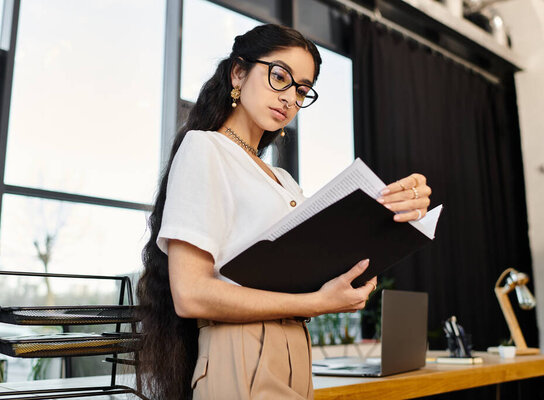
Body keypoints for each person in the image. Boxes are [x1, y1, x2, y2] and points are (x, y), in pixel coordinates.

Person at [136, 24, 432, 400]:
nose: (290, 97)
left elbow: (317, 267)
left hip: (294, 347)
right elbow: (191, 294)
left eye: (302, 89)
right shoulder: (205, 148)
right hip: (241, 349)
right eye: (280, 76)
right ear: (238, 73)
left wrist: (396, 208)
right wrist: (315, 304)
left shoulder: (284, 182)